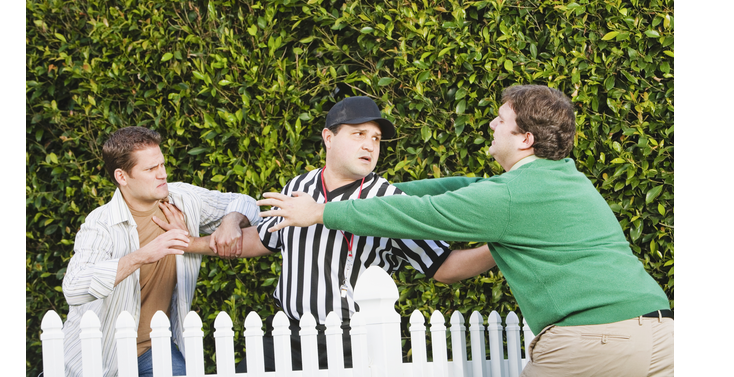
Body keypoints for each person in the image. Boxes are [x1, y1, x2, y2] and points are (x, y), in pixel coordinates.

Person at [258, 85, 674, 377]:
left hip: (595, 342)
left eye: (501, 119)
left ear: (525, 139)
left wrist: (324, 214)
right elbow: (462, 187)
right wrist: (377, 191)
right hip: (664, 336)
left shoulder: (509, 197)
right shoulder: (567, 178)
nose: (492, 124)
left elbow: (421, 214)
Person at [212, 96, 496, 371]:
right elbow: (264, 238)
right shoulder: (299, 186)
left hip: (354, 342)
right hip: (289, 336)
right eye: (359, 134)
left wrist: (499, 248)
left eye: (375, 139)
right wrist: (188, 243)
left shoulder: (388, 198)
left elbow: (441, 265)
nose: (369, 146)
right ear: (329, 138)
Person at [61, 126, 261, 377]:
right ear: (122, 177)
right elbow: (74, 287)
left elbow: (246, 203)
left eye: (162, 165)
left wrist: (231, 221)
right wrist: (141, 256)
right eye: (150, 169)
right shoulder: (100, 224)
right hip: (98, 354)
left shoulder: (182, 199)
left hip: (153, 349)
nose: (162, 174)